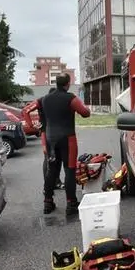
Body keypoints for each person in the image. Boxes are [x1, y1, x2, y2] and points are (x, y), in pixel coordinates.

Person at [39, 73, 91, 215]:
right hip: (68, 138)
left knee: (52, 171)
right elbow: (85, 113)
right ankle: (71, 203)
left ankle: (47, 203)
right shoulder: (70, 98)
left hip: (50, 139)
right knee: (69, 170)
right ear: (67, 83)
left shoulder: (45, 99)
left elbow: (29, 109)